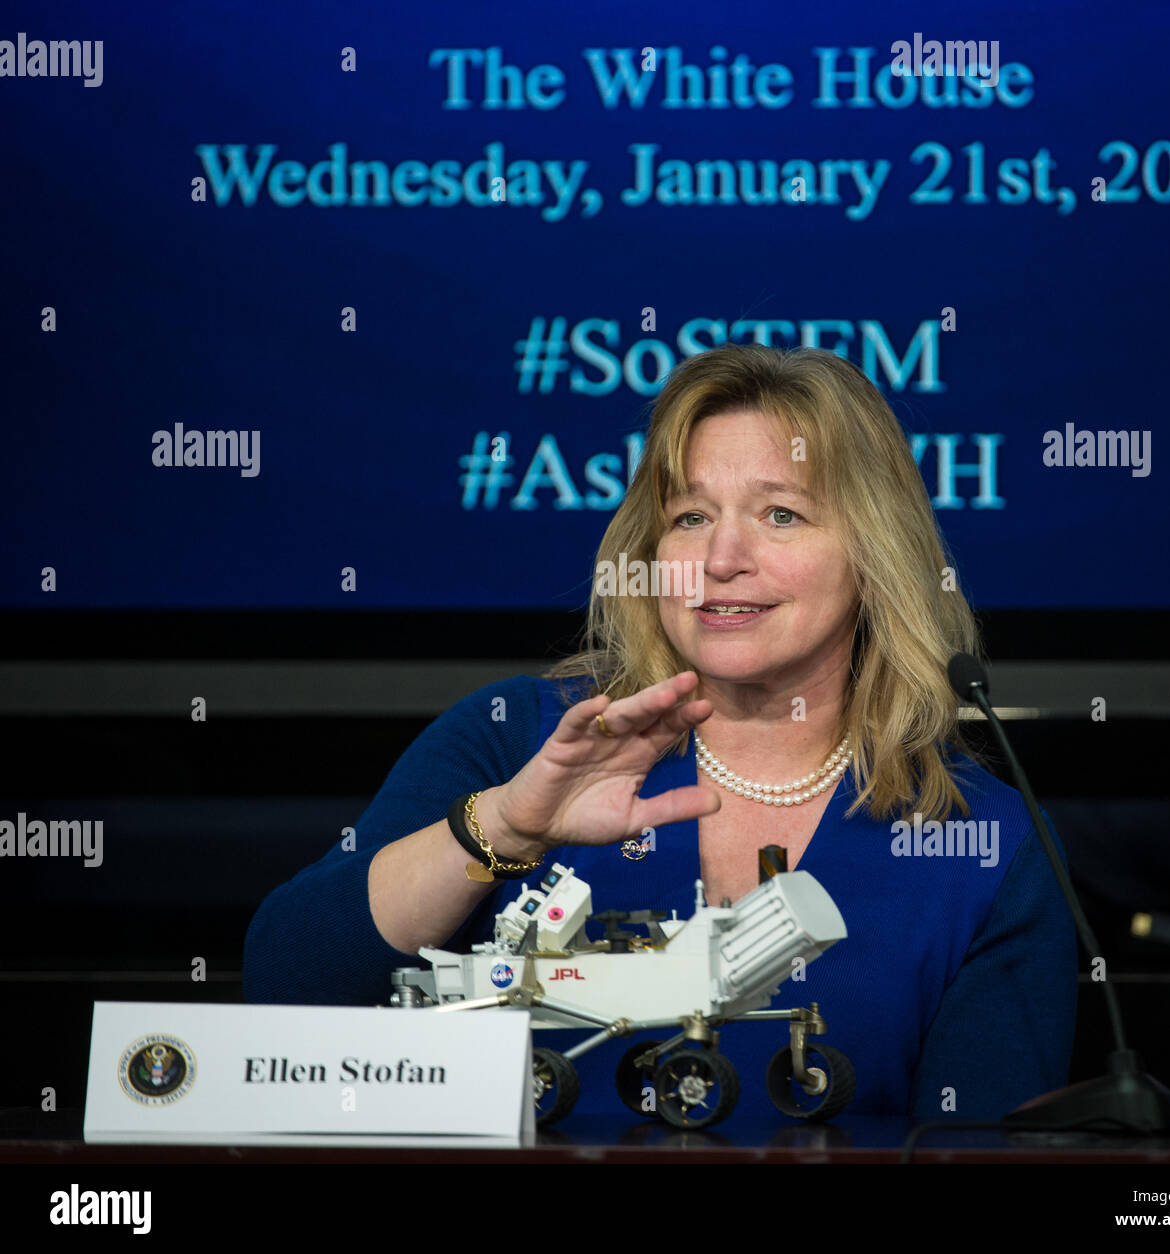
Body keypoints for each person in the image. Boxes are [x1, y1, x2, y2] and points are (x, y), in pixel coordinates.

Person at [243, 343, 1077, 1122]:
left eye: (781, 515)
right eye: (688, 518)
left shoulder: (986, 843)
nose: (721, 558)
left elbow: (986, 1160)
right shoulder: (514, 738)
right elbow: (285, 989)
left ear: (874, 556)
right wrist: (506, 826)